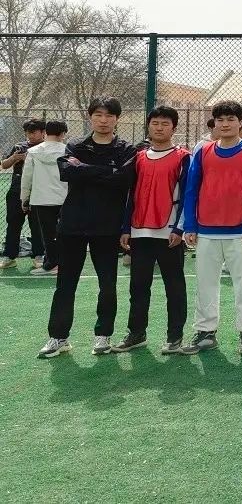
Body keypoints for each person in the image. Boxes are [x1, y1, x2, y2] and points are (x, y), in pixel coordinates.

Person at [37, 98, 135, 358]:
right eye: (98, 115)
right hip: (72, 225)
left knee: (107, 284)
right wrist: (107, 171)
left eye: (109, 115)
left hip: (107, 226)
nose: (103, 120)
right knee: (65, 284)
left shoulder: (126, 149)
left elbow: (123, 179)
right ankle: (58, 337)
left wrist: (85, 169)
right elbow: (67, 173)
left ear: (117, 119)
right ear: (90, 117)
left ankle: (103, 335)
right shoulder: (75, 145)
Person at [181, 100, 242, 356]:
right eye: (220, 120)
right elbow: (191, 190)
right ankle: (205, 331)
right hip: (206, 231)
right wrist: (190, 224)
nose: (225, 124)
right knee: (205, 284)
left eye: (231, 119)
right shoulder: (203, 151)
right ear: (214, 123)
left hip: (240, 232)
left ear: (240, 123)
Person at [113, 106, 191, 355]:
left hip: (169, 233)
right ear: (148, 126)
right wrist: (126, 227)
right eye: (155, 123)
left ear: (174, 128)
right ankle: (136, 333)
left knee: (174, 286)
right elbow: (131, 195)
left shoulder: (183, 157)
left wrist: (179, 228)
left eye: (165, 124)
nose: (159, 127)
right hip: (140, 232)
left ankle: (175, 336)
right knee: (137, 286)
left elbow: (188, 196)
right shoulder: (138, 158)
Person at [20, 121, 68, 276]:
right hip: (65, 198)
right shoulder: (69, 151)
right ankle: (65, 263)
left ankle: (51, 264)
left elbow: (27, 178)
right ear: (63, 134)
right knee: (66, 232)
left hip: (41, 198)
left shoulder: (33, 152)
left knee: (47, 234)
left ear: (45, 133)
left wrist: (24, 198)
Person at [1, 118, 46, 269]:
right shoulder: (19, 147)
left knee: (37, 224)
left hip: (38, 190)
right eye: (27, 133)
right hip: (16, 190)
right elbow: (4, 165)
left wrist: (32, 159)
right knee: (13, 223)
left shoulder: (46, 148)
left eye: (33, 132)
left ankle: (39, 255)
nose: (30, 136)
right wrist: (14, 158)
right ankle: (9, 256)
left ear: (43, 132)